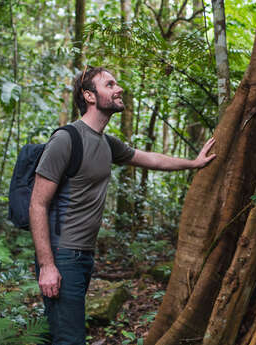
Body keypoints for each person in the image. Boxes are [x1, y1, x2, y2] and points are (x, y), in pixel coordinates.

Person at [29, 66, 216, 344]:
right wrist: (47, 266)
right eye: (110, 84)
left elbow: (150, 159)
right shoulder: (66, 139)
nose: (119, 89)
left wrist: (194, 163)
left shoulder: (107, 143)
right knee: (70, 339)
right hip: (63, 254)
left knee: (58, 333)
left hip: (83, 256)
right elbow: (37, 204)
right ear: (89, 96)